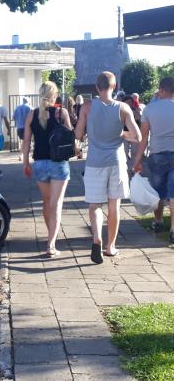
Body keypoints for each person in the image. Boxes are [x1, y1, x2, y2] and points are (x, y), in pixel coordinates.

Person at [75, 71, 141, 264]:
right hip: (116, 161)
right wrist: (122, 134)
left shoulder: (87, 106)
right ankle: (110, 247)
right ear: (114, 87)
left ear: (97, 87)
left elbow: (78, 134)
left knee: (95, 205)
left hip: (95, 162)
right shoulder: (123, 108)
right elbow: (137, 136)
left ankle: (96, 238)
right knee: (114, 206)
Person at [22, 81, 72, 257]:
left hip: (40, 163)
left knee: (46, 202)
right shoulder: (61, 112)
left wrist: (25, 163)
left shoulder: (31, 115)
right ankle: (51, 244)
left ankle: (50, 234)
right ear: (54, 95)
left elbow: (26, 141)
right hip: (59, 163)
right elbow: (70, 136)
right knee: (55, 204)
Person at [133, 77, 174, 240]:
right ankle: (173, 229)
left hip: (157, 154)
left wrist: (137, 159)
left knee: (158, 192)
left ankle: (157, 221)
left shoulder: (149, 109)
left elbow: (144, 138)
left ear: (162, 90)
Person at [122, 95, 141, 175]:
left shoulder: (136, 110)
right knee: (124, 152)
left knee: (134, 152)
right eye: (127, 102)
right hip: (124, 134)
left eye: (130, 102)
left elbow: (139, 120)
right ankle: (124, 168)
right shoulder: (121, 111)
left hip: (134, 135)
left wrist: (136, 115)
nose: (129, 103)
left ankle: (132, 168)